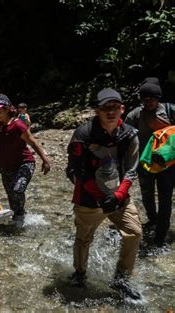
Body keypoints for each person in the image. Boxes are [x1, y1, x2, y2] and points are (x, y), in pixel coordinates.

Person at [66, 88, 142, 300]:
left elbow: (131, 170)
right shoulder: (83, 134)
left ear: (122, 109)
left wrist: (118, 195)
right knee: (83, 239)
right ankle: (80, 273)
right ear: (97, 111)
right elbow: (75, 171)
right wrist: (100, 197)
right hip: (89, 198)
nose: (111, 112)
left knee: (134, 232)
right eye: (105, 108)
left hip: (119, 195)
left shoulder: (130, 135)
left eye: (115, 107)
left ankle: (120, 280)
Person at [0, 94, 51, 227]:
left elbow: (33, 142)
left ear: (7, 110)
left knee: (18, 189)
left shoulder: (18, 126)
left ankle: (21, 214)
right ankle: (16, 217)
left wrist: (45, 160)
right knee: (11, 195)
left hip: (25, 163)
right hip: (7, 167)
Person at [125, 79, 174, 248]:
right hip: (144, 164)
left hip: (167, 165)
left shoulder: (170, 110)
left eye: (152, 99)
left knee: (165, 199)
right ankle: (153, 220)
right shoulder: (134, 115)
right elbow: (124, 138)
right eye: (145, 100)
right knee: (147, 195)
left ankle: (160, 237)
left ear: (158, 98)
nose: (148, 103)